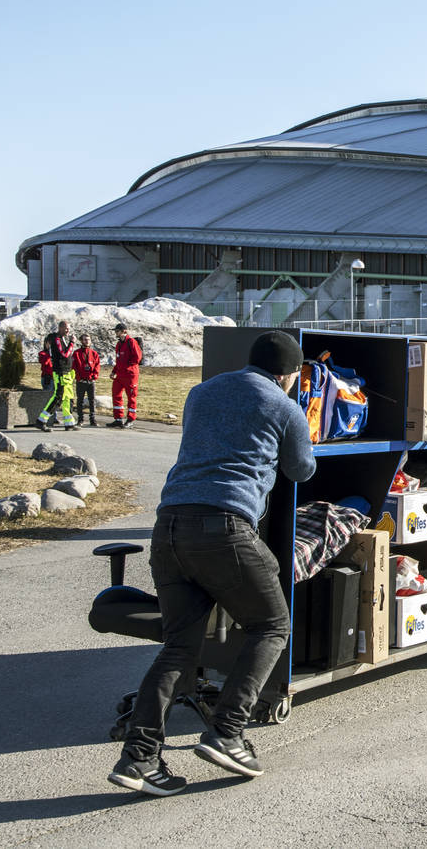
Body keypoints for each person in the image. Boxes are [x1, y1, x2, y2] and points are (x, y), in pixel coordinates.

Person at [108, 331, 315, 797]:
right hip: (224, 528)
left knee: (178, 645)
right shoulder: (285, 406)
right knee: (272, 625)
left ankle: (138, 759)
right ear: (289, 374)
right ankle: (227, 732)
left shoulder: (201, 392)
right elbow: (301, 470)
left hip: (169, 527)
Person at [36, 321, 78, 432]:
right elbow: (64, 354)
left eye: (69, 328)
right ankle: (41, 421)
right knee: (58, 397)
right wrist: (72, 343)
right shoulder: (57, 339)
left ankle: (69, 423)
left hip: (67, 372)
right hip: (60, 373)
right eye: (66, 328)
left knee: (67, 398)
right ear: (60, 328)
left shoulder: (63, 338)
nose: (68, 330)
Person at [109, 323, 143, 428]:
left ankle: (130, 419)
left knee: (131, 397)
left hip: (130, 375)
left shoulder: (131, 342)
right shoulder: (119, 344)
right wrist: (114, 371)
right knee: (116, 394)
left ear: (124, 331)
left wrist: (127, 367)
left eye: (117, 331)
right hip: (120, 375)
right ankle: (118, 419)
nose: (116, 333)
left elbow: (137, 358)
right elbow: (118, 360)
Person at [72, 333, 102, 426]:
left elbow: (97, 366)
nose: (87, 341)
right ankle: (80, 419)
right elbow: (74, 367)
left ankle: (92, 419)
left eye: (88, 339)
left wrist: (94, 376)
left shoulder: (94, 353)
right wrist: (78, 377)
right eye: (85, 339)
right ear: (81, 341)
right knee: (80, 400)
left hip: (91, 382)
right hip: (81, 381)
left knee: (92, 400)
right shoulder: (76, 353)